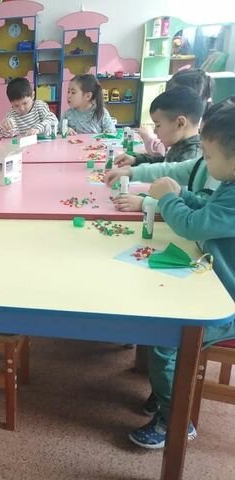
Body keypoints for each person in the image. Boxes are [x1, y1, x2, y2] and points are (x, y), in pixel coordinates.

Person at [128, 106, 235, 449]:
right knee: (155, 312)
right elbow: (207, 209)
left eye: (209, 156)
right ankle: (165, 390)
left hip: (225, 303)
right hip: (212, 283)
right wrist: (181, 194)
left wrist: (167, 199)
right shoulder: (229, 185)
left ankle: (174, 420)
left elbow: (192, 225)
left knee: (165, 342)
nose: (205, 162)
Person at [105, 97, 234, 214]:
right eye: (201, 134)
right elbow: (172, 169)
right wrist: (132, 171)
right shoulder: (206, 161)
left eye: (206, 139)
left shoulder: (222, 179)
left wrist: (146, 203)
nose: (201, 145)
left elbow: (197, 215)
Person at [114, 87, 203, 168]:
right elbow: (165, 163)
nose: (155, 131)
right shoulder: (179, 144)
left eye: (158, 125)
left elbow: (169, 171)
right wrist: (136, 160)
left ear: (180, 123)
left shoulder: (191, 159)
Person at [138, 68, 213, 156]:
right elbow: (166, 160)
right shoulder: (179, 140)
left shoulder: (192, 153)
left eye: (158, 125)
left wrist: (148, 139)